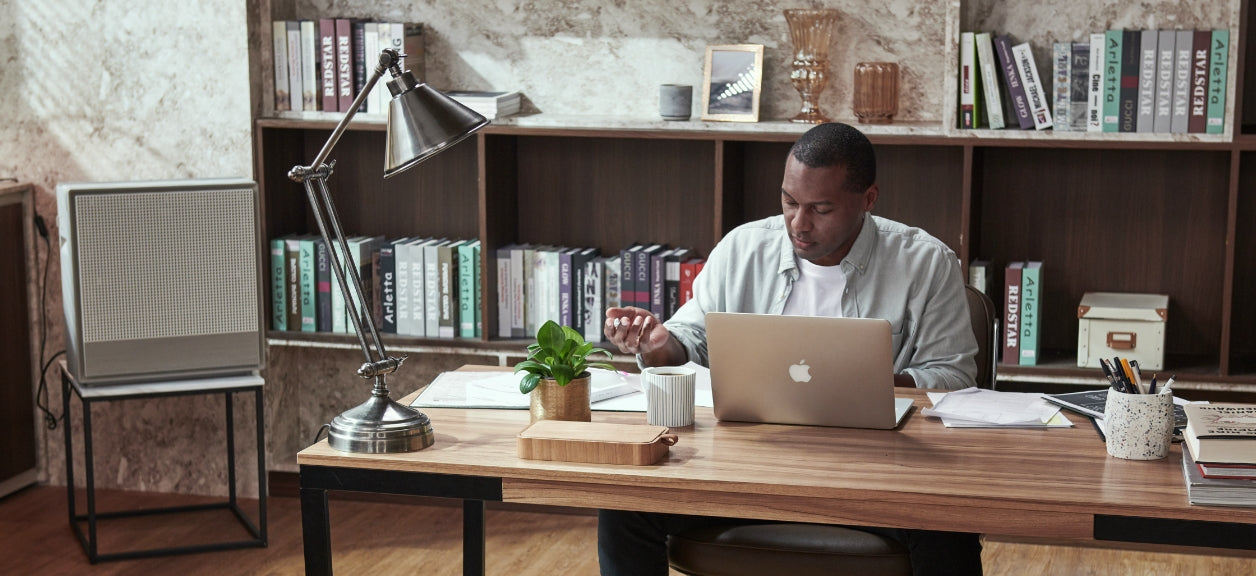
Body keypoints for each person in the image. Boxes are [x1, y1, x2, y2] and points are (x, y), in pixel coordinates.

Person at [598, 122, 982, 576]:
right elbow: (692, 340)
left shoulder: (926, 263)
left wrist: (867, 386)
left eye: (821, 209)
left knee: (950, 522)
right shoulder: (742, 248)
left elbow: (955, 378)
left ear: (869, 199)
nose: (799, 224)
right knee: (623, 507)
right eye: (789, 202)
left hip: (875, 475)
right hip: (746, 465)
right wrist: (660, 345)